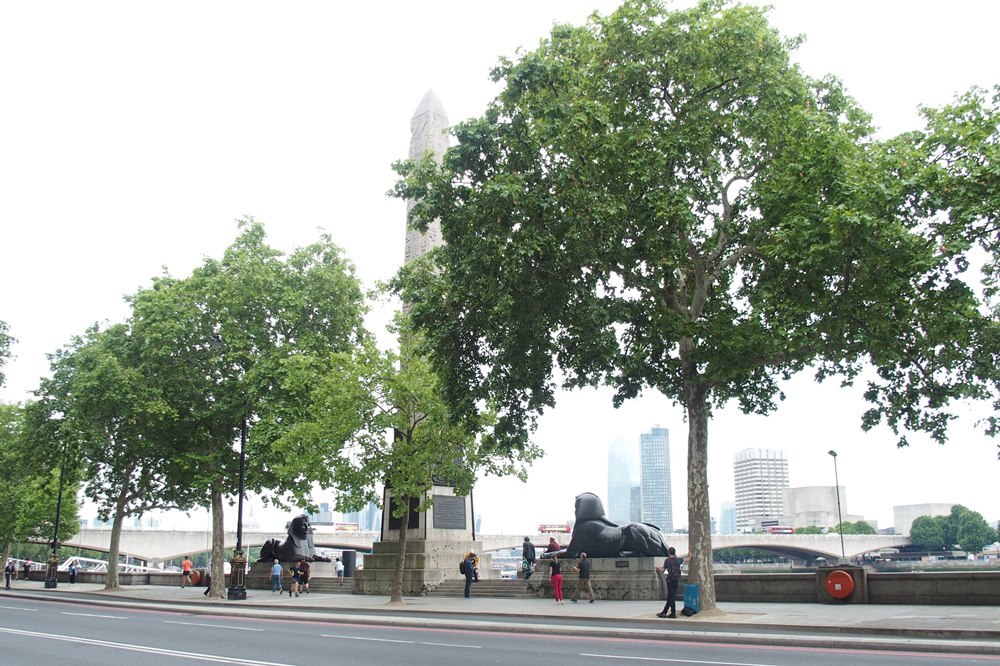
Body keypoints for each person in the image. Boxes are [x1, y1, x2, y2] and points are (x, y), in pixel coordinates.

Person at [656, 546, 681, 619]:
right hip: (677, 579)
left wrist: (657, 568)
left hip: (670, 580)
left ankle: (673, 613)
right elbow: (687, 560)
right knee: (671, 596)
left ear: (668, 552)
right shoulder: (678, 560)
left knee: (671, 596)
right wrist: (690, 555)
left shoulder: (667, 560)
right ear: (674, 552)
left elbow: (663, 570)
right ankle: (664, 612)